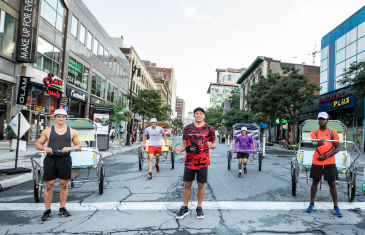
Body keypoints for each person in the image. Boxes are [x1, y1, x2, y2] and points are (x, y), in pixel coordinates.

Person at [35, 109, 82, 221]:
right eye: (58, 116)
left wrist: (70, 148)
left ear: (66, 118)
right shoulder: (47, 131)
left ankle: (62, 208)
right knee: (49, 185)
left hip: (65, 159)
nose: (61, 118)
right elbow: (37, 144)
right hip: (50, 159)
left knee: (63, 184)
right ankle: (47, 210)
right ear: (54, 118)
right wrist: (44, 147)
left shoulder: (72, 131)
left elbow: (79, 146)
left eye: (63, 116)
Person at [173, 107, 216, 220]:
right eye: (197, 113)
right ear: (194, 116)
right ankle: (185, 207)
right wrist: (179, 150)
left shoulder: (209, 128)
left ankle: (199, 207)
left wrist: (212, 146)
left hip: (203, 161)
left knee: (201, 185)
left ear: (204, 116)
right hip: (189, 161)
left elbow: (214, 143)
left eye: (201, 114)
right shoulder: (187, 128)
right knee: (187, 184)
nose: (198, 115)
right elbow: (184, 144)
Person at [306, 112, 342, 217]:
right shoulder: (314, 131)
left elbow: (338, 148)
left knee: (332, 184)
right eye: (320, 119)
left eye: (323, 119)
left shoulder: (332, 132)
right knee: (314, 182)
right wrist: (318, 143)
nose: (321, 120)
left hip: (329, 161)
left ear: (327, 120)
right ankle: (311, 204)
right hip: (317, 160)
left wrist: (326, 156)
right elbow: (313, 143)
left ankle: (336, 207)